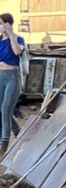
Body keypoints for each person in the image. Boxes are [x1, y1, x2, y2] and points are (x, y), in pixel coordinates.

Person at [0, 13, 25, 156]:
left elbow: (17, 51)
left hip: (12, 78)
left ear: (8, 24)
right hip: (0, 77)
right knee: (3, 111)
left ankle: (3, 144)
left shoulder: (18, 39)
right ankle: (18, 133)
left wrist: (10, 34)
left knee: (5, 109)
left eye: (2, 23)